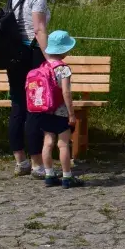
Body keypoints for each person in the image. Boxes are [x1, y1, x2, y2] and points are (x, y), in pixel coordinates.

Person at [8, 0, 52, 178]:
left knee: (17, 107)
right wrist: (50, 59)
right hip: (33, 55)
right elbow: (39, 29)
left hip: (13, 57)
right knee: (35, 107)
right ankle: (37, 163)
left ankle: (20, 161)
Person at [30, 30, 84, 189]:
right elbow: (66, 92)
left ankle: (49, 175)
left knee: (47, 142)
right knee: (63, 144)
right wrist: (71, 113)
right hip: (60, 112)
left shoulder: (43, 66)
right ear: (63, 50)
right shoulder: (63, 69)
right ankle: (67, 177)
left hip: (44, 110)